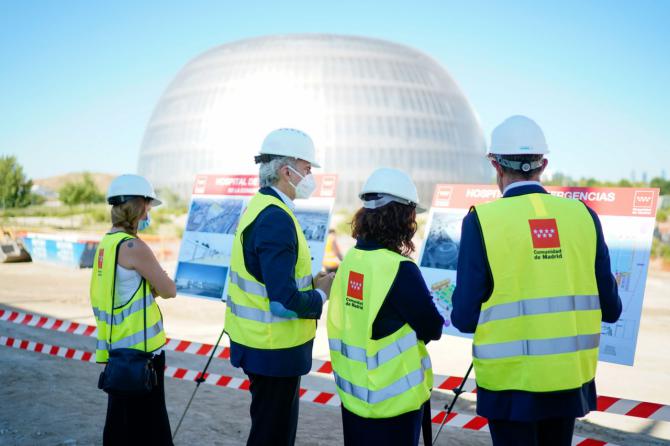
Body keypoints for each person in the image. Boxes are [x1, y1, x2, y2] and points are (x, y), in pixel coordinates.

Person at [451, 115, 622, 446]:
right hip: (569, 380)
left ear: (495, 164)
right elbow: (611, 308)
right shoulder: (584, 216)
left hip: (510, 385)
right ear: (543, 164)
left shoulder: (481, 221)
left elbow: (464, 318)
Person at [224, 128, 335, 446]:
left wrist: (309, 283)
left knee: (267, 429)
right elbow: (282, 302)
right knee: (273, 436)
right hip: (273, 349)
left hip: (260, 345)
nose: (311, 175)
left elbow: (268, 277)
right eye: (308, 168)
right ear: (287, 171)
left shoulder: (260, 206)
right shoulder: (276, 218)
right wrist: (322, 294)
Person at [327, 167, 444, 446]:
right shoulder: (400, 269)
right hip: (394, 406)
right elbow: (433, 328)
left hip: (355, 398)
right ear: (402, 217)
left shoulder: (350, 261)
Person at [90, 174, 177, 445]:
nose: (149, 212)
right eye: (149, 206)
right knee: (151, 427)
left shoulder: (107, 243)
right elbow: (168, 290)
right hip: (143, 353)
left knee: (120, 425)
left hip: (117, 349)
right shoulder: (133, 246)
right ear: (139, 206)